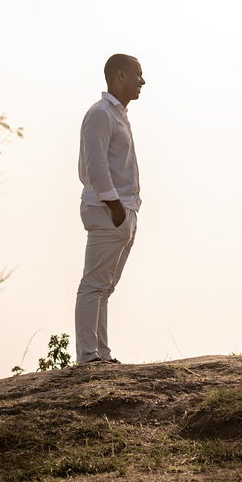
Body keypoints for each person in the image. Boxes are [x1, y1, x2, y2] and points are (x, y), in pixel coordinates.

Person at [75, 54, 145, 365]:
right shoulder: (101, 114)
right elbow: (96, 166)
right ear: (120, 76)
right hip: (109, 212)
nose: (142, 81)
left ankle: (100, 353)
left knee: (105, 287)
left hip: (123, 212)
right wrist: (115, 207)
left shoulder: (118, 115)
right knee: (93, 285)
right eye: (138, 75)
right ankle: (88, 356)